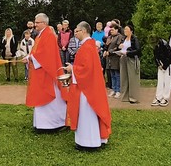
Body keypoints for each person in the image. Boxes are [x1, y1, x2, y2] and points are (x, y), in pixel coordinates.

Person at [64, 21, 111, 151]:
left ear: (84, 31)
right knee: (86, 114)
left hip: (87, 88)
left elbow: (86, 69)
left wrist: (72, 69)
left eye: (77, 31)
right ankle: (88, 139)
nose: (75, 33)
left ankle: (89, 142)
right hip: (88, 85)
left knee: (86, 114)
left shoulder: (87, 47)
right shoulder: (88, 45)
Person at [23, 12, 67, 132]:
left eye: (37, 22)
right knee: (41, 96)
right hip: (40, 71)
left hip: (48, 72)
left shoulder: (49, 35)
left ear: (44, 23)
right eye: (35, 22)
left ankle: (55, 123)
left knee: (52, 98)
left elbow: (46, 55)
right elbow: (36, 51)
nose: (35, 24)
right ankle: (42, 123)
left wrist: (32, 58)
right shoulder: (40, 35)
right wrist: (28, 57)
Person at [119, 22, 142, 104]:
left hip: (131, 59)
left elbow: (138, 50)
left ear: (131, 31)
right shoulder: (123, 39)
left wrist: (128, 52)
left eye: (126, 29)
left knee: (133, 78)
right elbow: (122, 47)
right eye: (124, 29)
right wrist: (120, 48)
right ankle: (125, 96)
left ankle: (133, 97)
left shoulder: (134, 39)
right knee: (124, 77)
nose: (125, 30)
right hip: (123, 59)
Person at [152, 32, 171, 107]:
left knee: (167, 80)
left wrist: (164, 66)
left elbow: (170, 58)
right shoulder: (155, 46)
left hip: (168, 64)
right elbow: (156, 57)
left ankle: (166, 97)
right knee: (160, 81)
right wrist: (159, 65)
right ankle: (158, 97)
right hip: (161, 64)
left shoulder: (165, 45)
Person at [104, 23, 123, 98]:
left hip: (115, 57)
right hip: (109, 59)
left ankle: (118, 90)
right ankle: (113, 89)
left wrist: (110, 51)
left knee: (117, 75)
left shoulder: (119, 37)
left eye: (112, 30)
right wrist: (105, 50)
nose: (111, 31)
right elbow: (106, 46)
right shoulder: (109, 37)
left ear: (116, 30)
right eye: (110, 30)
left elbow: (118, 47)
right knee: (112, 75)